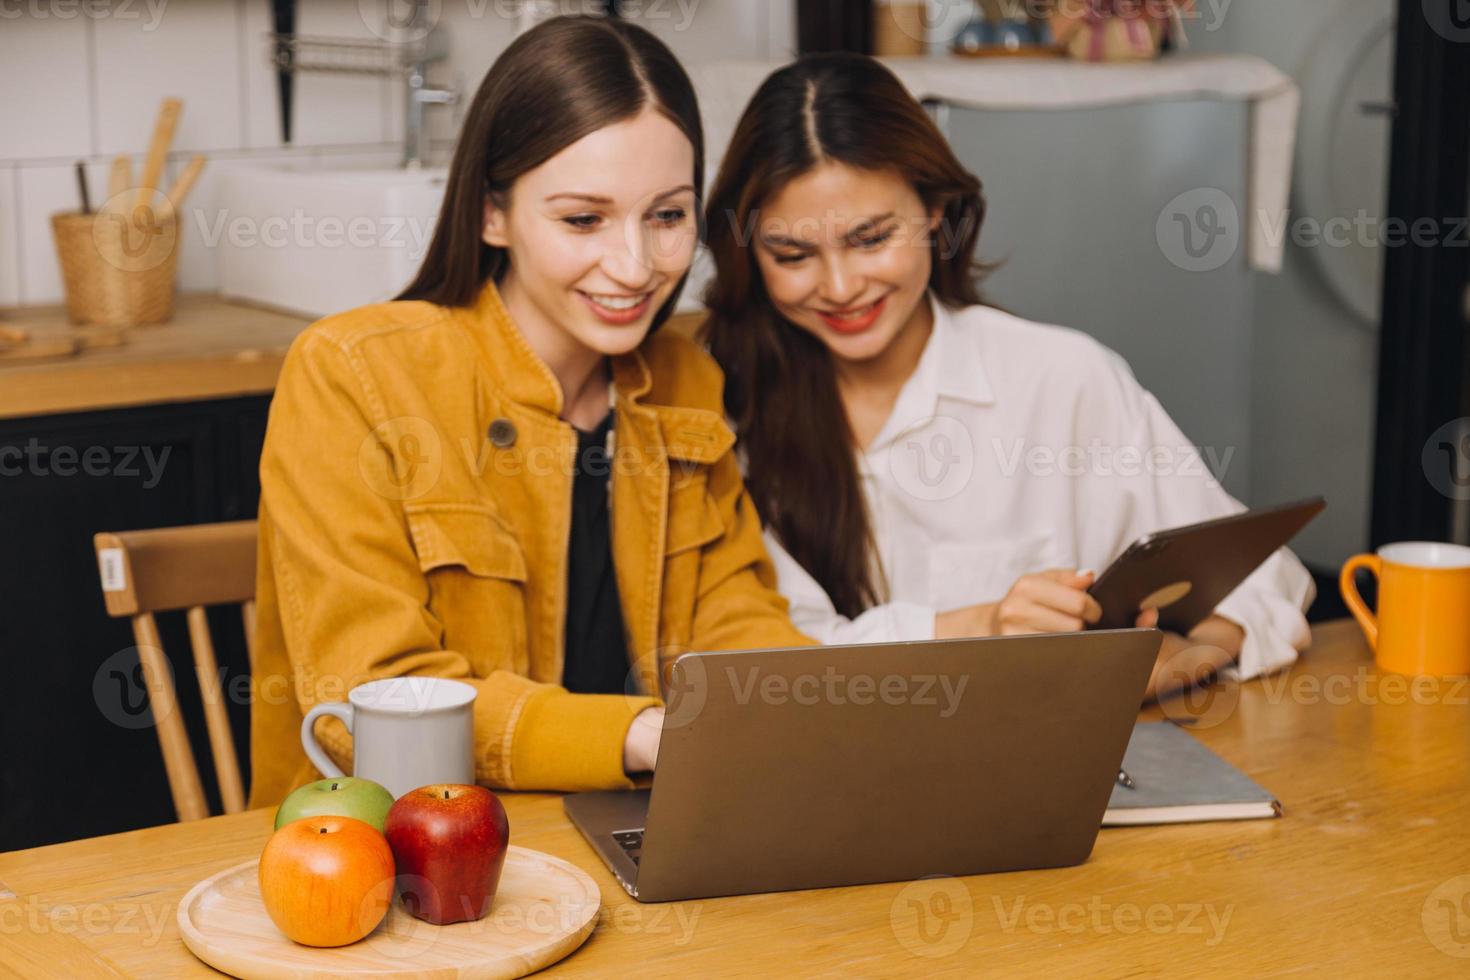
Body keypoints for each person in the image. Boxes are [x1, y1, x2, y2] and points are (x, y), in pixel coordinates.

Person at [249, 16, 810, 807]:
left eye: (668, 215)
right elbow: (369, 698)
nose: (636, 266)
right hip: (396, 865)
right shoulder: (352, 372)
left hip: (647, 833)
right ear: (491, 213)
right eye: (583, 219)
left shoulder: (683, 376)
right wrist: (637, 734)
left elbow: (736, 618)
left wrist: (802, 710)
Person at [701, 53, 1313, 699]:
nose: (841, 286)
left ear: (936, 213)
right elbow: (766, 657)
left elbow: (1266, 578)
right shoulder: (719, 408)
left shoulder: (1062, 378)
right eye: (792, 254)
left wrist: (1186, 657)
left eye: (871, 239)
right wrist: (979, 625)